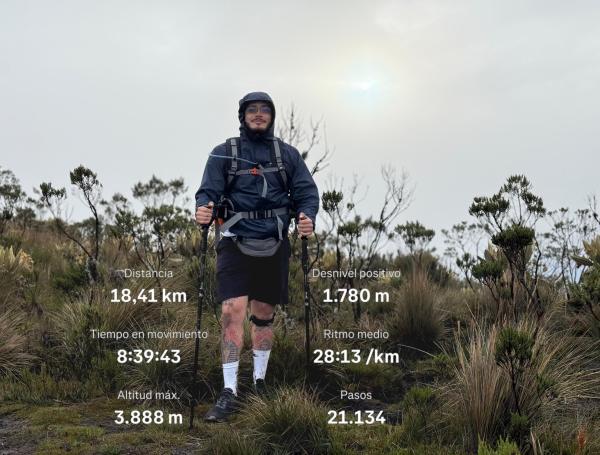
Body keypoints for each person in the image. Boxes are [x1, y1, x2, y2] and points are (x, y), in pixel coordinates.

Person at [194, 91, 319, 422]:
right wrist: (203, 209)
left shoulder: (287, 155)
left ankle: (259, 382)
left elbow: (306, 191)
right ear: (242, 115)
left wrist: (307, 215)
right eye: (253, 109)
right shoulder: (224, 154)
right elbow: (207, 191)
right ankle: (229, 390)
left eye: (265, 110)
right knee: (232, 310)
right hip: (234, 242)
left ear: (272, 116)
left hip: (274, 243)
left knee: (263, 313)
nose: (259, 114)